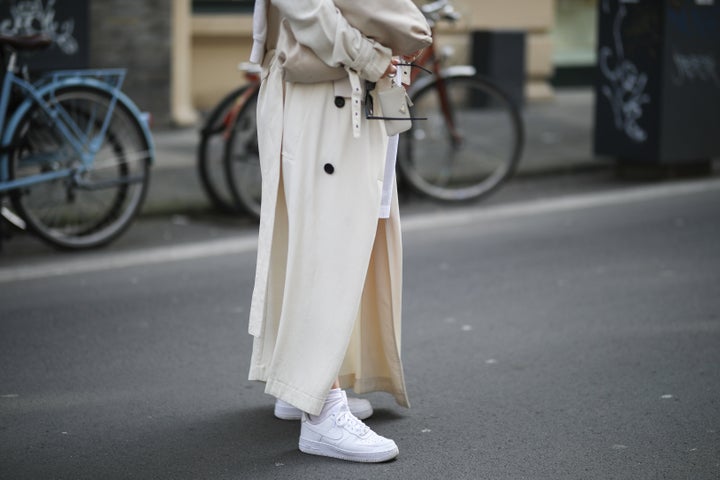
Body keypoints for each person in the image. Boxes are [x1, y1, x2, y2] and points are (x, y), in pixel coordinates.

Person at [246, 0, 431, 463]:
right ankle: (323, 413)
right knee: (324, 246)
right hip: (328, 92)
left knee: (342, 240)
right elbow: (307, 10)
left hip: (352, 90)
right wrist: (376, 58)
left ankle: (305, 382)